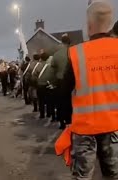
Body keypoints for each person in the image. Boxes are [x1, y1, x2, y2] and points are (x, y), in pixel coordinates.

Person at [56, 2, 118, 179]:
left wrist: (67, 120)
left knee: (82, 177)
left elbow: (64, 92)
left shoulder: (76, 53)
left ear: (89, 24)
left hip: (84, 128)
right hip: (114, 126)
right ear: (110, 23)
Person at [51, 34, 72, 129]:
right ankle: (71, 121)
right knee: (71, 102)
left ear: (62, 42)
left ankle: (62, 122)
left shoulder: (56, 54)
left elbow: (53, 70)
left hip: (60, 81)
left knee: (60, 103)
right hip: (73, 82)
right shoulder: (74, 51)